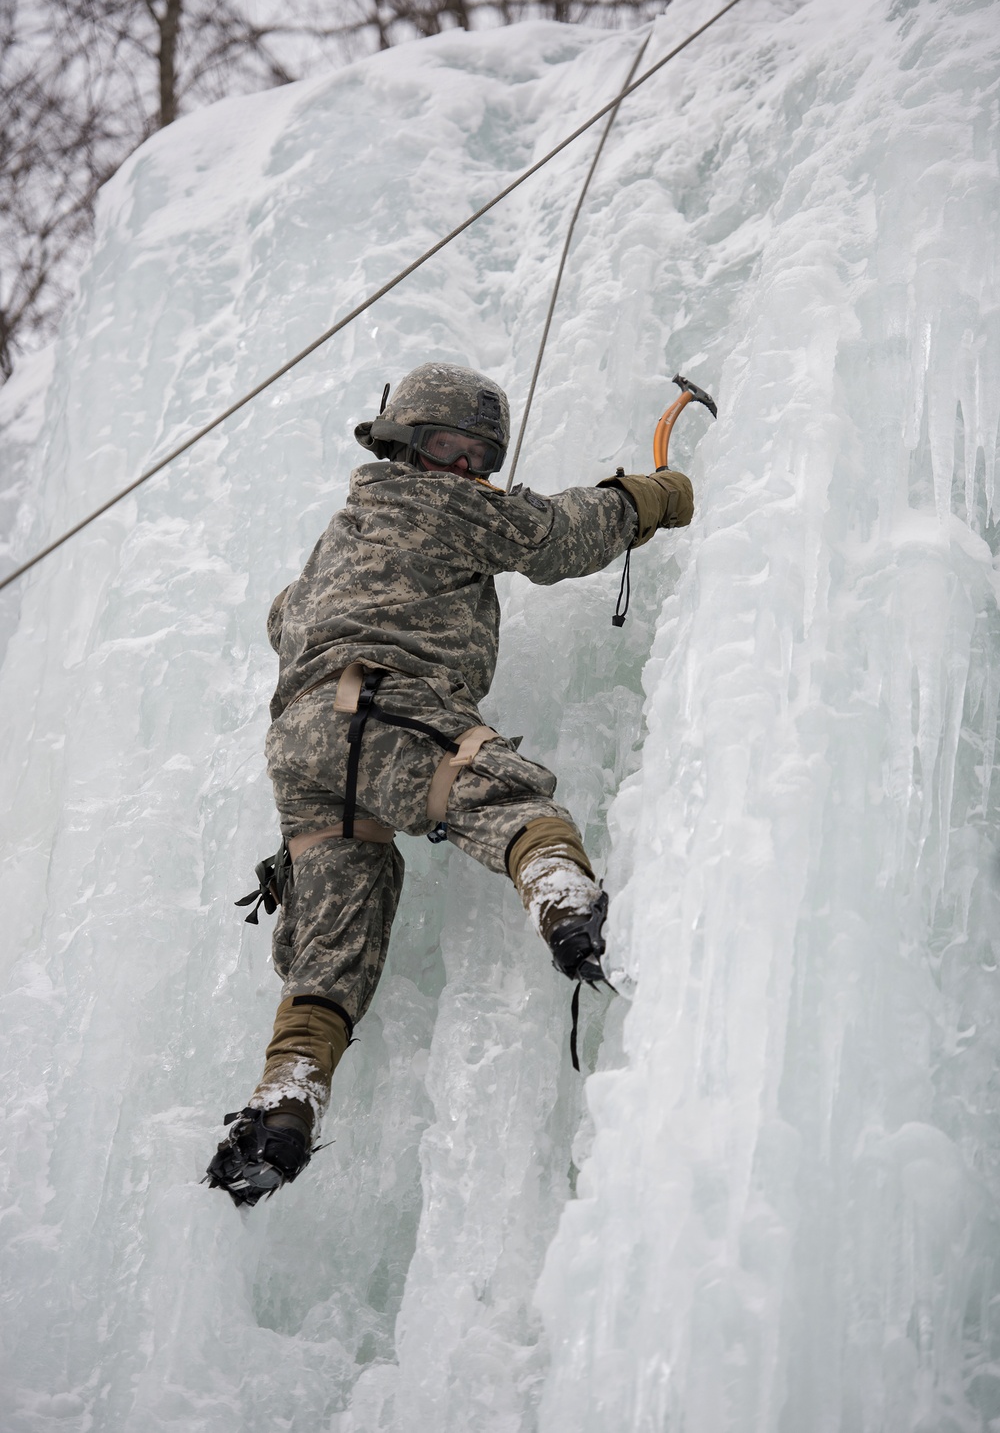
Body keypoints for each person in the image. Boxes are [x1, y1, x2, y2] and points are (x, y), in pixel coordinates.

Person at [206, 362, 693, 1205]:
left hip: (302, 749)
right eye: (444, 445)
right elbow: (555, 534)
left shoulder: (342, 531)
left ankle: (285, 1100)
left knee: (335, 941)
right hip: (376, 708)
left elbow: (282, 614)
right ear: (404, 446)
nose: (463, 468)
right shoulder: (438, 503)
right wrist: (658, 496)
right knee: (498, 789)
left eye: (478, 456)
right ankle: (563, 898)